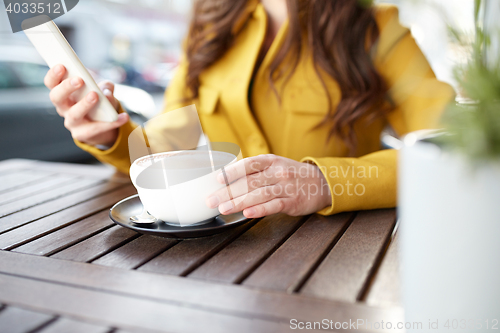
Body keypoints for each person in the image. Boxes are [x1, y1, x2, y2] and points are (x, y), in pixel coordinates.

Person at [43, 0, 454, 219]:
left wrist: (323, 181)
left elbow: (455, 148)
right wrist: (109, 132)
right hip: (230, 256)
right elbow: (165, 149)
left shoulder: (378, 28)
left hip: (341, 254)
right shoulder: (211, 25)